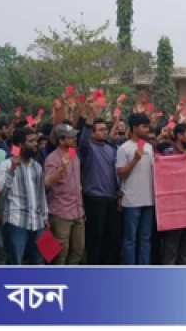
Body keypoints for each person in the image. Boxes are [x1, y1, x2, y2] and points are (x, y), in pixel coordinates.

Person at [0, 127, 49, 265]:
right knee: (16, 262)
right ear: (20, 145)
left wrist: (45, 217)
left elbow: (41, 194)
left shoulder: (37, 166)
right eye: (31, 141)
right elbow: (1, 192)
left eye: (36, 141)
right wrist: (11, 171)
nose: (35, 144)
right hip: (16, 222)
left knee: (39, 262)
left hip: (37, 222)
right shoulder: (5, 165)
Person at [79, 109, 121, 265]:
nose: (105, 132)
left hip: (111, 197)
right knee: (95, 237)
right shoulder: (87, 148)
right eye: (101, 130)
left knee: (112, 236)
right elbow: (82, 141)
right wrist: (89, 119)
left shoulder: (111, 149)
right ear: (92, 133)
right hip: (94, 198)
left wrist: (118, 193)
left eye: (105, 129)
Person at [158, 124, 186, 265]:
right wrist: (183, 158)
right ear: (179, 135)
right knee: (172, 242)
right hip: (173, 207)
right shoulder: (168, 153)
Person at [116, 113, 155, 265]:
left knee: (146, 238)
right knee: (130, 239)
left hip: (149, 199)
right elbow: (120, 173)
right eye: (144, 126)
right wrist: (135, 160)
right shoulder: (124, 149)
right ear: (134, 128)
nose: (147, 130)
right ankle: (130, 269)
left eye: (147, 126)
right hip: (131, 200)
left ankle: (144, 268)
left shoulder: (149, 147)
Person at [44, 123, 85, 265]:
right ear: (61, 140)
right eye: (71, 137)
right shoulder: (52, 158)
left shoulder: (74, 154)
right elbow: (48, 182)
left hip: (77, 211)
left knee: (78, 249)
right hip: (61, 212)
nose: (75, 139)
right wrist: (62, 168)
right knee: (60, 253)